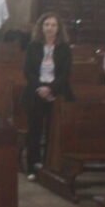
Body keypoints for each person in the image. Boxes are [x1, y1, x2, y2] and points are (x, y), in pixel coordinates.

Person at [22, 12, 73, 179]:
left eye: (53, 25)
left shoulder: (64, 48)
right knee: (34, 130)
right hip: (36, 91)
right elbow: (28, 71)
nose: (50, 28)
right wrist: (39, 87)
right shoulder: (33, 46)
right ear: (41, 27)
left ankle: (49, 166)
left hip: (56, 93)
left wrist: (50, 88)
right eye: (47, 25)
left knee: (53, 130)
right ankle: (32, 166)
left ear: (58, 28)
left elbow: (65, 74)